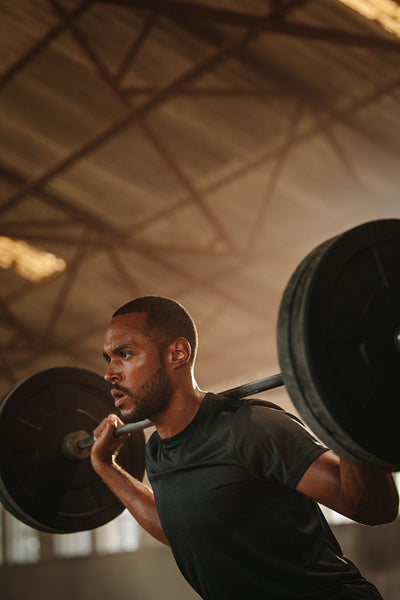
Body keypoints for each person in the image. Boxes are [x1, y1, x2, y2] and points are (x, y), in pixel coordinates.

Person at [91, 296, 399, 600]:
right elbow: (180, 526)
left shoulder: (250, 427)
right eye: (109, 359)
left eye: (125, 354)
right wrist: (106, 465)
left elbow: (373, 507)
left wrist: (358, 398)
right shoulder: (158, 450)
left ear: (177, 354)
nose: (110, 373)